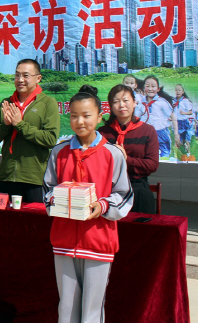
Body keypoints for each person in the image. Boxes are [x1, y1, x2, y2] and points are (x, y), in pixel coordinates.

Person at [43, 85, 133, 323]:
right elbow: (47, 189)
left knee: (92, 308)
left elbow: (123, 194)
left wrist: (101, 206)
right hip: (63, 239)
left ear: (100, 115)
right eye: (74, 116)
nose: (79, 121)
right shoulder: (59, 152)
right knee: (67, 305)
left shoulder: (112, 154)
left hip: (98, 240)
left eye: (86, 115)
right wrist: (58, 199)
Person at [0, 59, 60, 203]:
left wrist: (20, 125)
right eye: (17, 75)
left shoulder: (47, 103)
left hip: (34, 179)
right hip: (6, 176)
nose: (20, 80)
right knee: (4, 222)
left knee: (32, 222)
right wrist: (6, 125)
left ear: (38, 78)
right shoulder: (6, 103)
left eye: (26, 76)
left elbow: (50, 139)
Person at [99, 84, 159, 214]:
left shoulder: (148, 130)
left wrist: (126, 159)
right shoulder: (102, 133)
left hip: (138, 190)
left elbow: (152, 165)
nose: (121, 105)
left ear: (134, 103)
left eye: (126, 100)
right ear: (110, 106)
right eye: (116, 101)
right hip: (109, 192)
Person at [136, 75, 179, 158]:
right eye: (147, 86)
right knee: (146, 156)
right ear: (144, 88)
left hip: (161, 133)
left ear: (158, 89)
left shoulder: (162, 102)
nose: (150, 89)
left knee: (164, 156)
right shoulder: (141, 104)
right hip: (146, 133)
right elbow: (135, 118)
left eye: (153, 86)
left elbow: (173, 116)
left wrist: (176, 134)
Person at [173, 84, 193, 155]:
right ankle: (176, 155)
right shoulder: (173, 101)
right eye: (176, 90)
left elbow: (191, 112)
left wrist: (184, 112)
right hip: (177, 122)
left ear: (183, 92)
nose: (177, 92)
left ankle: (188, 154)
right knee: (177, 140)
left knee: (186, 140)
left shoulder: (186, 101)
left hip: (185, 122)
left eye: (179, 90)